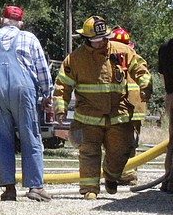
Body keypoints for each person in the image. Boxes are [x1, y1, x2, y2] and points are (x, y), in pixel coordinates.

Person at [53, 16, 152, 199]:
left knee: (120, 151)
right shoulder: (75, 59)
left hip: (118, 116)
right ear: (86, 39)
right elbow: (62, 85)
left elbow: (140, 68)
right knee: (89, 153)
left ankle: (111, 175)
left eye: (104, 39)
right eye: (96, 41)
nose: (101, 43)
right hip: (88, 117)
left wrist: (145, 85)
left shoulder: (122, 52)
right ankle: (89, 190)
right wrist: (60, 108)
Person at [0, 5, 54, 202]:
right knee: (30, 136)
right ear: (21, 23)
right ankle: (35, 186)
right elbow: (42, 69)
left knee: (1, 138)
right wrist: (47, 95)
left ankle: (8, 189)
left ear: (2, 20)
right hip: (23, 90)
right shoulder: (29, 38)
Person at [108, 27, 143, 185]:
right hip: (136, 108)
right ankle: (128, 174)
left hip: (120, 109)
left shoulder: (110, 61)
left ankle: (123, 174)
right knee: (131, 142)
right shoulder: (136, 58)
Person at [159, 36, 173, 193]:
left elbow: (162, 76)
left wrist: (169, 93)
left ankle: (168, 180)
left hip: (171, 96)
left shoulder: (165, 47)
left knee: (172, 141)